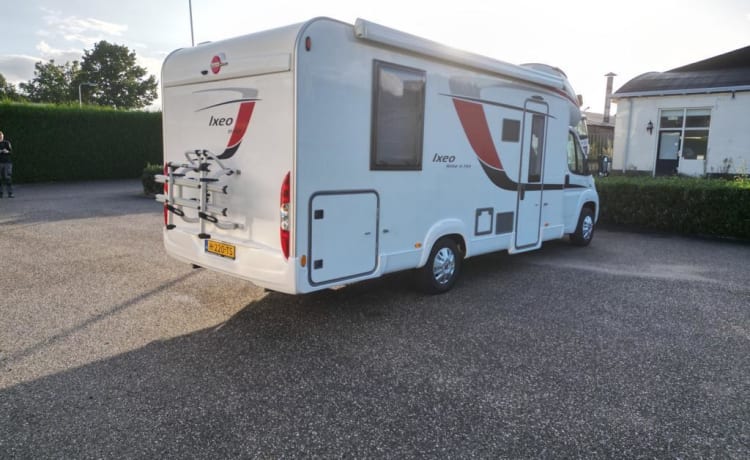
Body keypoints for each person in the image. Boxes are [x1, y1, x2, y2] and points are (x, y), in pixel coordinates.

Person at [0, 130, 13, 198]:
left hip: (7, 163)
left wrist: (6, 151)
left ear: (3, 136)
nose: (0, 137)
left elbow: (11, 151)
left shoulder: (7, 143)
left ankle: (10, 193)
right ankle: (0, 193)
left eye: (1, 136)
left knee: (8, 177)